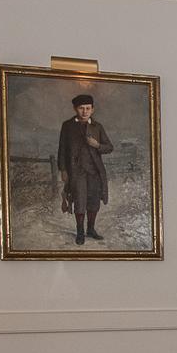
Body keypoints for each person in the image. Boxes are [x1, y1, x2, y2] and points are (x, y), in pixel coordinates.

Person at [55, 93, 113, 245]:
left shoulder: (97, 127)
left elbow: (109, 147)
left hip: (95, 172)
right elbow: (62, 149)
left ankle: (91, 230)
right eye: (81, 108)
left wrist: (97, 145)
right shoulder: (67, 126)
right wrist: (63, 170)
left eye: (88, 108)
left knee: (94, 202)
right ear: (75, 109)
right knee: (80, 202)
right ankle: (80, 232)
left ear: (92, 109)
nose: (85, 111)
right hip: (76, 172)